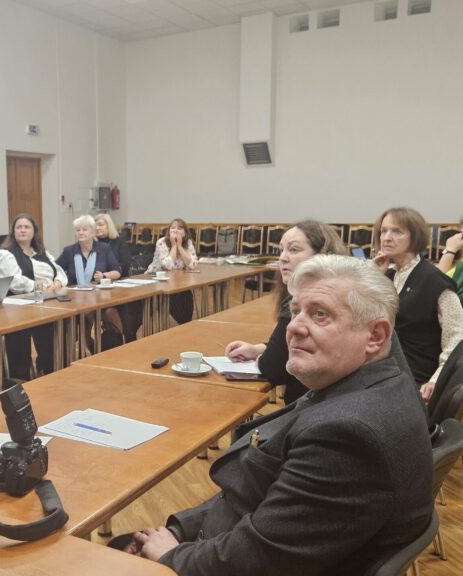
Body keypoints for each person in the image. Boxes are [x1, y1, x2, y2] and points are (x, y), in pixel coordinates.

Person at [122, 255, 434, 576]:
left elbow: (258, 557)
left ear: (376, 336)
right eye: (296, 311)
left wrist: (172, 556)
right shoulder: (370, 385)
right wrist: (178, 530)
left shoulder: (348, 433)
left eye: (320, 314)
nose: (294, 326)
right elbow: (247, 495)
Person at [224, 221, 348, 404]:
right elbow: (297, 345)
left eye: (294, 250)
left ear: (321, 255)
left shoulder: (301, 301)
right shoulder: (340, 290)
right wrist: (258, 349)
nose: (282, 258)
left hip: (312, 406)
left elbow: (272, 368)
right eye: (281, 250)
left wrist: (264, 357)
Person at [373, 207, 463, 402]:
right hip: (386, 368)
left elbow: (459, 336)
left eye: (396, 231)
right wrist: (374, 276)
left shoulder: (434, 280)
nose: (387, 238)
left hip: (413, 376)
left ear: (415, 237)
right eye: (383, 231)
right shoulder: (389, 274)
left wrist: (437, 379)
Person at [0, 213, 67, 380]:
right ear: (13, 231)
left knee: (64, 324)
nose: (23, 230)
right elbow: (14, 281)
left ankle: (53, 369)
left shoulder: (41, 252)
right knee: (28, 330)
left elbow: (60, 272)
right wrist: (39, 287)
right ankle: (21, 377)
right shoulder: (5, 253)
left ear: (34, 231)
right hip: (17, 309)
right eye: (19, 227)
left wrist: (56, 284)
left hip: (46, 302)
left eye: (27, 227)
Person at [57, 215, 123, 348]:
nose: (80, 233)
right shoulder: (69, 251)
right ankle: (89, 344)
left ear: (93, 232)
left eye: (84, 229)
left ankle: (117, 342)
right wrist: (59, 281)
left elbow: (117, 271)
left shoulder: (104, 249)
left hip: (100, 298)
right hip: (75, 299)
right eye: (78, 230)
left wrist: (104, 275)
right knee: (85, 314)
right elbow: (55, 269)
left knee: (109, 312)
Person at [96, 213, 143, 343]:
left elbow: (125, 264)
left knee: (122, 311)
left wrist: (109, 273)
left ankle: (126, 337)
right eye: (95, 225)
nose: (97, 228)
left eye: (100, 225)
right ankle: (117, 338)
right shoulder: (92, 244)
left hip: (119, 285)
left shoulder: (119, 242)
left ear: (109, 226)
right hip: (99, 288)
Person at [146, 218, 198, 325]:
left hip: (177, 281)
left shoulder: (188, 243)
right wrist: (174, 246)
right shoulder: (162, 242)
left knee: (186, 294)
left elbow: (192, 265)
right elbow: (168, 266)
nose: (175, 230)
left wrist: (179, 246)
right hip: (157, 280)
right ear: (168, 231)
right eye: (173, 228)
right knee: (173, 296)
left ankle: (186, 324)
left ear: (185, 233)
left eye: (179, 228)